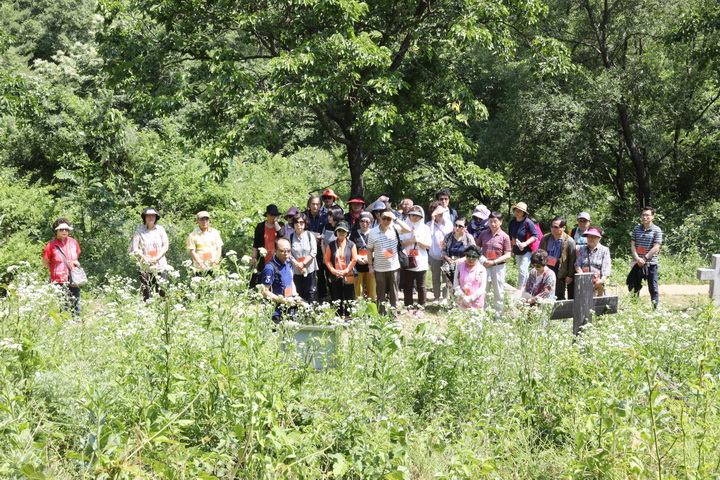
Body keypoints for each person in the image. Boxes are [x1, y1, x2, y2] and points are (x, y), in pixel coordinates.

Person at [367, 208, 412, 314]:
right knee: (380, 292)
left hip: (394, 267)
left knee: (394, 292)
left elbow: (408, 229)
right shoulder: (373, 232)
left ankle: (394, 314)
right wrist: (370, 266)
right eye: (384, 218)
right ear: (379, 217)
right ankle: (381, 314)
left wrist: (395, 218)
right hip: (379, 267)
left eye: (389, 218)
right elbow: (369, 250)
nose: (386, 221)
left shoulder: (395, 228)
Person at [42, 218, 82, 316]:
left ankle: (77, 320)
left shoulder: (73, 242)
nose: (64, 231)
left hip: (74, 277)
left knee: (75, 300)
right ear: (56, 231)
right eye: (61, 229)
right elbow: (45, 262)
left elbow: (76, 255)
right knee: (63, 302)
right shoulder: (50, 245)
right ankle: (64, 322)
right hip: (59, 278)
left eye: (66, 229)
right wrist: (56, 269)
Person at [128, 207, 169, 300]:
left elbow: (165, 246)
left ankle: (162, 309)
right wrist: (145, 259)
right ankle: (149, 310)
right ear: (144, 217)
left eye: (153, 216)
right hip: (145, 265)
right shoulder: (139, 230)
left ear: (156, 217)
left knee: (162, 290)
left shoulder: (160, 229)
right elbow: (135, 248)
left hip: (159, 264)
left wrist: (157, 258)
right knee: (147, 292)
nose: (151, 217)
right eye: (148, 216)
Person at [261, 238, 304, 323]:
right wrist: (284, 301)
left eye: (288, 251)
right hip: (275, 312)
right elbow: (264, 291)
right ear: (275, 251)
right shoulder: (270, 268)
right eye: (282, 251)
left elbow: (291, 281)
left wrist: (295, 296)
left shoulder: (288, 263)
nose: (286, 254)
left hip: (289, 309)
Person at [476, 211, 512, 313]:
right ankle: (483, 312)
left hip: (498, 267)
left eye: (495, 221)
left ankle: (498, 314)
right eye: (490, 221)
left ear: (500, 222)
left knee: (498, 291)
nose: (492, 224)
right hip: (484, 265)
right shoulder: (483, 234)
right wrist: (482, 259)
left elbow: (508, 254)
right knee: (483, 289)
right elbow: (477, 249)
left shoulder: (504, 236)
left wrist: (494, 262)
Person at [628, 206, 663, 307]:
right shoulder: (636, 229)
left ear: (652, 216)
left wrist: (644, 258)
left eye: (647, 215)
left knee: (653, 287)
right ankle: (634, 307)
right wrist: (637, 258)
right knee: (634, 285)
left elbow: (656, 247)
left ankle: (655, 308)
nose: (645, 217)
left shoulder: (657, 230)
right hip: (637, 263)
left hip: (651, 263)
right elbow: (633, 244)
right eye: (643, 215)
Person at [324, 221, 358, 318]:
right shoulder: (331, 245)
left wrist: (346, 270)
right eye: (339, 230)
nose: (341, 232)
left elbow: (354, 259)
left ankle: (348, 316)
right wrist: (334, 271)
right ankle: (338, 316)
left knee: (349, 296)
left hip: (348, 274)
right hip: (336, 275)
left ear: (347, 232)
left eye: (343, 231)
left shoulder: (351, 244)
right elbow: (327, 260)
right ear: (336, 232)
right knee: (337, 296)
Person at [401, 206, 431, 309]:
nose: (415, 218)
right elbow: (399, 244)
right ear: (409, 215)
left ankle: (421, 307)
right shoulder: (404, 227)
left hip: (421, 261)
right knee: (407, 286)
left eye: (418, 216)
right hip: (407, 259)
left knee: (421, 286)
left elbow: (429, 245)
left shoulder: (425, 228)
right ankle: (408, 307)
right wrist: (410, 240)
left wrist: (418, 240)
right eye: (412, 215)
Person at [538, 216, 576, 300]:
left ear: (563, 228)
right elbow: (539, 253)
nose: (553, 229)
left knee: (558, 294)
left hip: (560, 270)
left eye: (556, 227)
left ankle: (559, 312)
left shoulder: (569, 241)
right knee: (544, 292)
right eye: (551, 226)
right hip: (546, 268)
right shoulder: (545, 238)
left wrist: (569, 275)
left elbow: (572, 260)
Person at [440, 216, 476, 293]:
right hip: (450, 266)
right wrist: (447, 257)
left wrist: (463, 259)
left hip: (464, 265)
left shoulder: (469, 238)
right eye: (455, 225)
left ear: (465, 227)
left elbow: (473, 251)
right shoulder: (448, 236)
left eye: (460, 226)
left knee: (464, 287)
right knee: (452, 287)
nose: (457, 228)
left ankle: (464, 304)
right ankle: (453, 304)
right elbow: (443, 250)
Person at [508, 202, 538, 288]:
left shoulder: (528, 222)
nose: (517, 212)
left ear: (524, 213)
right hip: (517, 250)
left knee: (522, 269)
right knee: (523, 270)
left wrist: (525, 243)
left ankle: (519, 288)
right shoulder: (512, 222)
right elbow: (510, 237)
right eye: (516, 210)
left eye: (519, 211)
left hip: (527, 250)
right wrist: (511, 249)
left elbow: (535, 236)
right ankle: (530, 286)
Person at [289, 212, 318, 303]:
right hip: (296, 268)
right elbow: (289, 253)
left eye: (301, 223)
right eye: (296, 223)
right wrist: (297, 264)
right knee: (298, 291)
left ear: (305, 224)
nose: (299, 225)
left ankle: (309, 311)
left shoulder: (310, 235)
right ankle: (300, 311)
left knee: (309, 290)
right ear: (293, 224)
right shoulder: (291, 236)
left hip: (309, 268)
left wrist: (303, 263)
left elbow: (313, 252)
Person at [426, 202, 453, 302]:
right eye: (439, 213)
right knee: (435, 276)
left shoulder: (448, 224)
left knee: (446, 276)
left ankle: (446, 296)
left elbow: (451, 238)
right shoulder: (429, 224)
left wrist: (446, 253)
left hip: (446, 255)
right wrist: (432, 219)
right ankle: (436, 296)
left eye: (442, 213)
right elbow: (429, 234)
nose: (441, 215)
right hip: (434, 254)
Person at [304, 195, 329, 299]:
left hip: (321, 247)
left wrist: (321, 237)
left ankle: (322, 295)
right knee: (308, 272)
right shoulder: (303, 216)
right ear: (309, 205)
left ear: (320, 205)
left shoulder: (325, 216)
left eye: (317, 204)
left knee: (321, 271)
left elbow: (329, 231)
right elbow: (299, 229)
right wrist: (313, 235)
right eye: (313, 204)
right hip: (306, 249)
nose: (315, 206)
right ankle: (307, 295)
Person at [574, 227, 611, 296]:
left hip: (599, 283)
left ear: (599, 238)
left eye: (594, 237)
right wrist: (583, 277)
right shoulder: (582, 249)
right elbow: (577, 265)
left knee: (598, 304)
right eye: (589, 236)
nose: (591, 238)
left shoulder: (604, 250)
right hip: (584, 282)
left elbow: (606, 268)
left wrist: (601, 281)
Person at [350, 212, 376, 302]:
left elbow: (378, 249)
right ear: (359, 222)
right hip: (357, 266)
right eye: (362, 221)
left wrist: (369, 257)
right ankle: (359, 311)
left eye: (367, 222)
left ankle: (371, 311)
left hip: (371, 267)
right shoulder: (353, 234)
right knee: (358, 291)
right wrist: (356, 257)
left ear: (371, 223)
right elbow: (349, 248)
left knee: (372, 291)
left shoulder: (374, 233)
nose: (364, 224)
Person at [252, 204, 284, 273]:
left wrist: (275, 222)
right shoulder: (260, 226)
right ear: (267, 215)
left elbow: (281, 235)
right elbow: (256, 243)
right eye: (271, 214)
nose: (273, 216)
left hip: (276, 257)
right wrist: (254, 257)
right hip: (263, 257)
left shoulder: (280, 225)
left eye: (275, 215)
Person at [453, 245, 487, 309]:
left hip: (477, 302)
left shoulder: (482, 269)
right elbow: (456, 285)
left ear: (478, 258)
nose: (471, 258)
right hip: (462, 301)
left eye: (474, 256)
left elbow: (482, 288)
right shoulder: (459, 267)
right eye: (468, 256)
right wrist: (464, 297)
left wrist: (471, 298)